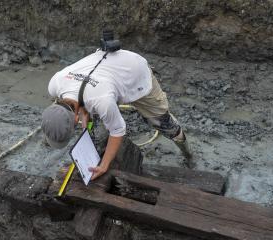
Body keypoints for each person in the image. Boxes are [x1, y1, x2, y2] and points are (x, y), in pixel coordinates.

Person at [42, 48, 192, 180]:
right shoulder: (55, 84)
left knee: (162, 122)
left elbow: (118, 130)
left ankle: (188, 153)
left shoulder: (101, 101)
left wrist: (104, 165)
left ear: (75, 117)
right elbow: (79, 99)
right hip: (105, 75)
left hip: (135, 72)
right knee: (95, 111)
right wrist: (84, 116)